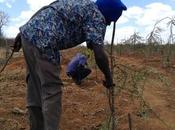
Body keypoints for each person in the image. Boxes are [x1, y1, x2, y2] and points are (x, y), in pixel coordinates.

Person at [13, 0, 127, 130]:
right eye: (110, 20)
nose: (108, 24)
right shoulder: (97, 16)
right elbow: (99, 55)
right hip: (45, 42)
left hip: (27, 35)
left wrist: (24, 30)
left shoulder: (82, 5)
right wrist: (109, 77)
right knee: (52, 90)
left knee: (34, 86)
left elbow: (50, 7)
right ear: (107, 14)